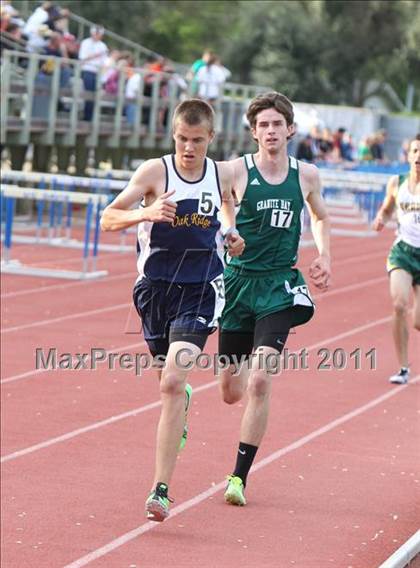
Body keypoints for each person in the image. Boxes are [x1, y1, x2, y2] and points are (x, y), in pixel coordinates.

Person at [100, 99, 245, 521]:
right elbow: (109, 218)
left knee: (172, 382)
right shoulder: (154, 172)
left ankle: (160, 490)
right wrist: (146, 212)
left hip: (200, 290)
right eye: (182, 139)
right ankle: (180, 400)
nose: (188, 148)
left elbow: (227, 211)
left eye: (197, 141)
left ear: (210, 140)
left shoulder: (220, 174)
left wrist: (232, 236)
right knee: (169, 382)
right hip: (154, 291)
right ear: (173, 136)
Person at [218, 91, 331, 506]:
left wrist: (325, 255)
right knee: (231, 392)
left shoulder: (306, 175)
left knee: (262, 380)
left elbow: (319, 216)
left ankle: (238, 478)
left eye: (276, 124)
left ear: (290, 129)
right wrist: (230, 232)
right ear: (253, 132)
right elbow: (226, 209)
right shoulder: (235, 170)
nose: (270, 131)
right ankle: (242, 365)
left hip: (279, 287)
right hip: (238, 285)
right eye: (262, 125)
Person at [373, 137, 420, 384]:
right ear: (409, 154)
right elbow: (388, 208)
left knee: (418, 320)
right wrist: (381, 217)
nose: (418, 156)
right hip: (402, 251)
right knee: (400, 305)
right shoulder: (397, 183)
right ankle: (403, 368)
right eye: (415, 151)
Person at [78, 26, 108, 121]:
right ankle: (87, 116)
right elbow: (82, 58)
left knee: (94, 95)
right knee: (89, 94)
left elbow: (103, 63)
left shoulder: (103, 46)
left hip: (97, 73)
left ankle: (90, 116)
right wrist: (96, 55)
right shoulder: (85, 43)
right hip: (87, 71)